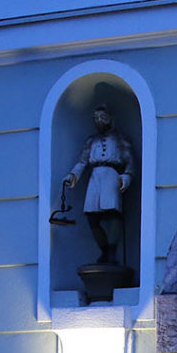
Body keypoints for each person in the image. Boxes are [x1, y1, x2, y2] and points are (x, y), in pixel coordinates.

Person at [63, 104, 136, 264]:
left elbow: (130, 161)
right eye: (96, 118)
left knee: (112, 214)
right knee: (92, 217)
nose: (99, 121)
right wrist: (73, 175)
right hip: (95, 177)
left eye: (102, 117)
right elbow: (82, 162)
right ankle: (104, 249)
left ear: (110, 118)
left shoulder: (119, 139)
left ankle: (111, 250)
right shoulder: (91, 141)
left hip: (111, 176)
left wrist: (127, 176)